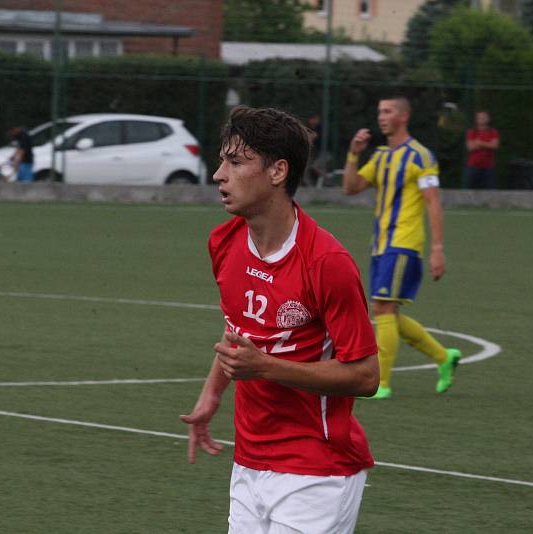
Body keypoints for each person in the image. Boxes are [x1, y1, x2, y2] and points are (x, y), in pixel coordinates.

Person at [180, 106, 379, 533]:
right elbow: (238, 331)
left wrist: (266, 368)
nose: (219, 174)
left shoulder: (327, 262)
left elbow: (365, 376)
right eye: (222, 161)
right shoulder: (224, 241)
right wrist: (211, 396)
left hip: (318, 468)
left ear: (277, 172)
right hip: (249, 464)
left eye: (235, 162)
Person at [342, 96, 461, 400]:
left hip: (404, 243)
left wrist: (437, 248)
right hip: (381, 245)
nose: (381, 116)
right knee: (387, 312)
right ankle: (443, 357)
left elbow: (433, 202)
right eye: (380, 111)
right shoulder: (381, 155)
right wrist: (354, 155)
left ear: (404, 116)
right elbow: (351, 188)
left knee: (382, 308)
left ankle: (381, 382)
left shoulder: (420, 156)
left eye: (388, 111)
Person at [465, 110, 500, 189]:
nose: (482, 119)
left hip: (489, 167)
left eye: (484, 117)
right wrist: (487, 144)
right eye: (480, 117)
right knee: (469, 189)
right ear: (476, 119)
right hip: (473, 166)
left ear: (488, 119)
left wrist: (480, 143)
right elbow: (470, 147)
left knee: (490, 189)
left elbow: (495, 145)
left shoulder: (493, 132)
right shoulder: (472, 132)